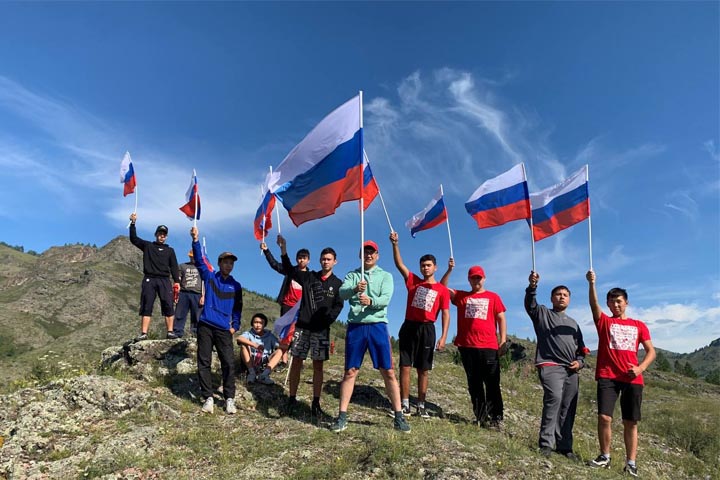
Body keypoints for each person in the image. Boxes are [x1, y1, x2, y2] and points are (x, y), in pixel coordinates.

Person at [330, 240, 411, 433]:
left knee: (388, 371)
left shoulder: (386, 276)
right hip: (356, 326)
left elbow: (386, 299)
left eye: (372, 252)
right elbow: (342, 293)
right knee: (350, 371)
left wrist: (371, 300)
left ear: (377, 255)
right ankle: (342, 416)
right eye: (365, 252)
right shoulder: (352, 275)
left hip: (377, 326)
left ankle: (399, 416)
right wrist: (355, 289)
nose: (368, 255)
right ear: (360, 255)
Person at [586, 270, 656, 477]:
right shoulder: (605, 322)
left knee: (630, 421)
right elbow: (593, 306)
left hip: (633, 378)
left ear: (626, 303)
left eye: (619, 301)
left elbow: (652, 351)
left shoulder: (639, 325)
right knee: (604, 417)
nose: (615, 305)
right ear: (607, 304)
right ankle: (604, 457)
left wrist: (640, 368)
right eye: (611, 302)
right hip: (608, 375)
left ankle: (631, 463)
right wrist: (592, 284)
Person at [268, 238, 344, 420]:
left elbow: (338, 306)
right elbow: (288, 269)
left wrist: (327, 321)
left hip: (321, 330)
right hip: (302, 327)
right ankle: (292, 399)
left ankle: (315, 403)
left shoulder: (338, 283)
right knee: (296, 362)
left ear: (335, 261)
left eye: (329, 259)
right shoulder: (309, 277)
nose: (325, 261)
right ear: (319, 261)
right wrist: (284, 250)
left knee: (318, 366)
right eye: (323, 259)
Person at [525, 271, 588, 461]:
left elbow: (582, 349)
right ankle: (545, 444)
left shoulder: (574, 324)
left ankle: (565, 446)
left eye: (565, 295)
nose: (562, 297)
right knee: (554, 399)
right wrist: (532, 287)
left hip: (571, 370)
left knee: (568, 407)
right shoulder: (543, 313)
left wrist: (581, 363)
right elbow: (530, 305)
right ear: (552, 298)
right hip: (550, 365)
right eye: (558, 294)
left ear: (569, 299)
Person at [389, 231, 450, 418]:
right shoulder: (413, 281)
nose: (425, 268)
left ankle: (421, 405)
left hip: (427, 328)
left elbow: (446, 313)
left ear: (435, 267)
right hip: (409, 326)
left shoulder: (442, 290)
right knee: (405, 366)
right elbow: (399, 264)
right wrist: (395, 244)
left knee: (423, 369)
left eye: (428, 265)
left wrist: (444, 336)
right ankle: (405, 404)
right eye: (423, 266)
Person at [441, 260, 507, 428]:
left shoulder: (493, 297)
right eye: (473, 278)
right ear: (469, 280)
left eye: (479, 278)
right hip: (467, 347)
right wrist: (449, 270)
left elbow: (501, 317)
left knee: (492, 383)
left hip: (489, 346)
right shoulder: (462, 296)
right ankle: (481, 417)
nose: (476, 281)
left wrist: (503, 340)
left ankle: (496, 417)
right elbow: (442, 288)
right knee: (474, 383)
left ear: (484, 279)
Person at [191, 226, 243, 415]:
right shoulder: (210, 276)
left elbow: (238, 309)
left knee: (228, 363)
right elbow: (198, 260)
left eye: (231, 263)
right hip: (206, 325)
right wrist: (195, 240)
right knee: (203, 361)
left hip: (223, 329)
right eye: (226, 262)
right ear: (220, 263)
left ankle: (229, 398)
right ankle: (208, 398)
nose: (229, 265)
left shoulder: (236, 286)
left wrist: (234, 326)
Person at [128, 213, 180, 341]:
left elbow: (174, 267)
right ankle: (144, 333)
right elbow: (134, 239)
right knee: (147, 304)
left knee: (168, 304)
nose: (161, 236)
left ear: (166, 236)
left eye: (164, 234)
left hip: (164, 280)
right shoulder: (148, 246)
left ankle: (170, 332)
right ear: (156, 234)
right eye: (159, 233)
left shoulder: (170, 251)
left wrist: (177, 281)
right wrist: (133, 223)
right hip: (149, 279)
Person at [260, 235, 310, 364]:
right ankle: (284, 359)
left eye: (304, 258)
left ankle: (297, 359)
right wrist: (266, 251)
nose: (301, 260)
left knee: (298, 333)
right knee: (285, 333)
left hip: (301, 308)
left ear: (308, 260)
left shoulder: (311, 277)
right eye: (299, 258)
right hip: (287, 305)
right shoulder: (290, 271)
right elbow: (275, 265)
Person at [237, 313, 279, 383]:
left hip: (264, 361)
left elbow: (279, 346)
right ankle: (251, 373)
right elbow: (239, 338)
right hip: (250, 360)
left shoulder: (270, 336)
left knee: (279, 351)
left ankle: (264, 375)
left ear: (264, 325)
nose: (258, 325)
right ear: (252, 323)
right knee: (244, 345)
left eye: (261, 323)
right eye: (255, 322)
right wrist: (254, 345)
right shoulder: (249, 333)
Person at [172, 250, 204, 338]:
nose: (193, 258)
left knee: (197, 316)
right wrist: (176, 293)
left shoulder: (202, 267)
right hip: (183, 292)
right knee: (179, 314)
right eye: (192, 256)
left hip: (197, 294)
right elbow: (177, 280)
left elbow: (205, 282)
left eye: (195, 256)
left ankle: (196, 334)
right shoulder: (182, 266)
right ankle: (177, 332)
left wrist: (203, 296)